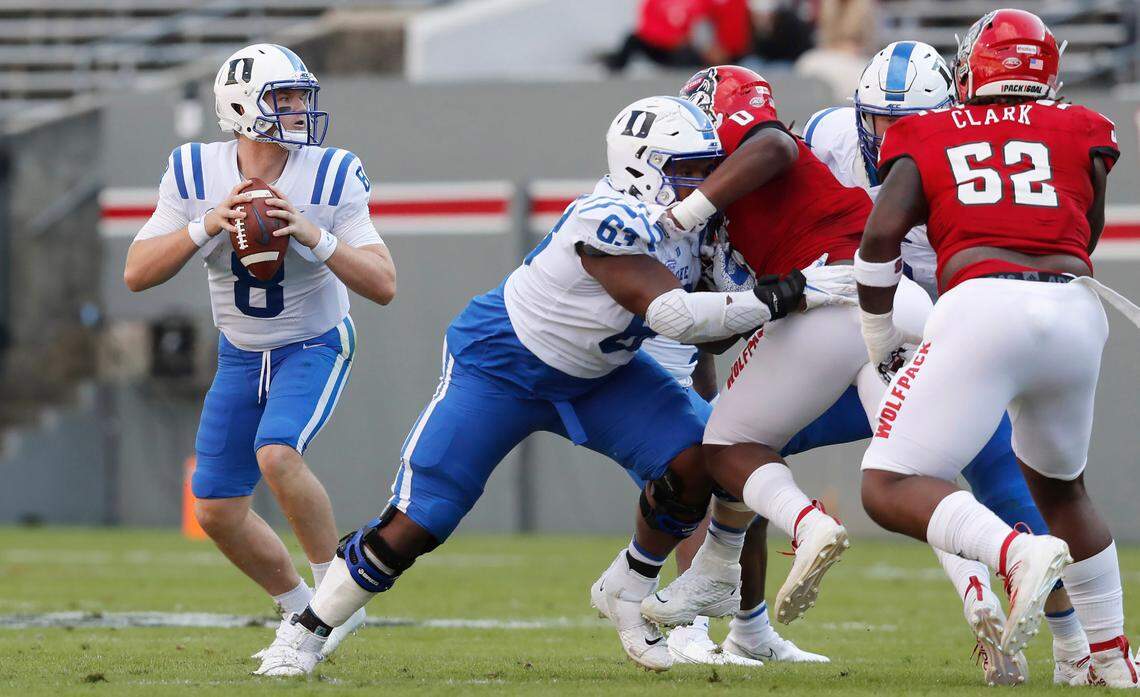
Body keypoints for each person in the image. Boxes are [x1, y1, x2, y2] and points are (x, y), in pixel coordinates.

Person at [249, 95, 852, 676]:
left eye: (707, 169)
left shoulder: (698, 231)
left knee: (704, 457)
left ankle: (629, 585)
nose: (702, 183)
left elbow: (711, 339)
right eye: (686, 170)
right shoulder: (608, 216)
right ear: (641, 168)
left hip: (602, 376)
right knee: (421, 519)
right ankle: (305, 633)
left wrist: (765, 295)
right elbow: (673, 317)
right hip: (502, 365)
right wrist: (787, 293)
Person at [854, 10, 1138, 687]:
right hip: (1074, 309)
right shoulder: (1079, 126)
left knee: (886, 483)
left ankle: (1012, 551)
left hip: (984, 304)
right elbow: (1086, 228)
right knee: (1064, 488)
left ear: (974, 65)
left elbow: (877, 241)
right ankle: (1112, 657)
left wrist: (877, 333)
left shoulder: (927, 129)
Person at [802, 40, 1090, 685]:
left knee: (975, 473)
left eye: (903, 125)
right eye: (877, 121)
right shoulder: (826, 137)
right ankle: (740, 621)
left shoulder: (952, 150)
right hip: (850, 328)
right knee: (727, 442)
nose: (887, 140)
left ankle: (1060, 633)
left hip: (947, 334)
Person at [123, 44, 396, 662]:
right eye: (286, 98)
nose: (300, 109)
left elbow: (383, 284)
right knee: (217, 509)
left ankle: (335, 596)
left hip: (315, 341)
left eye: (302, 97)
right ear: (242, 106)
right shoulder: (194, 171)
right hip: (241, 352)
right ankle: (300, 609)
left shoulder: (331, 172)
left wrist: (313, 236)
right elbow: (136, 272)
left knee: (277, 453)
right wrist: (204, 227)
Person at [604, 0, 752, 72]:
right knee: (632, 39)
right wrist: (672, 39)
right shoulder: (654, 2)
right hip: (662, 46)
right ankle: (614, 67)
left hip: (685, 49)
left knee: (690, 59)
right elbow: (646, 27)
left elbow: (703, 23)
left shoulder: (698, 3)